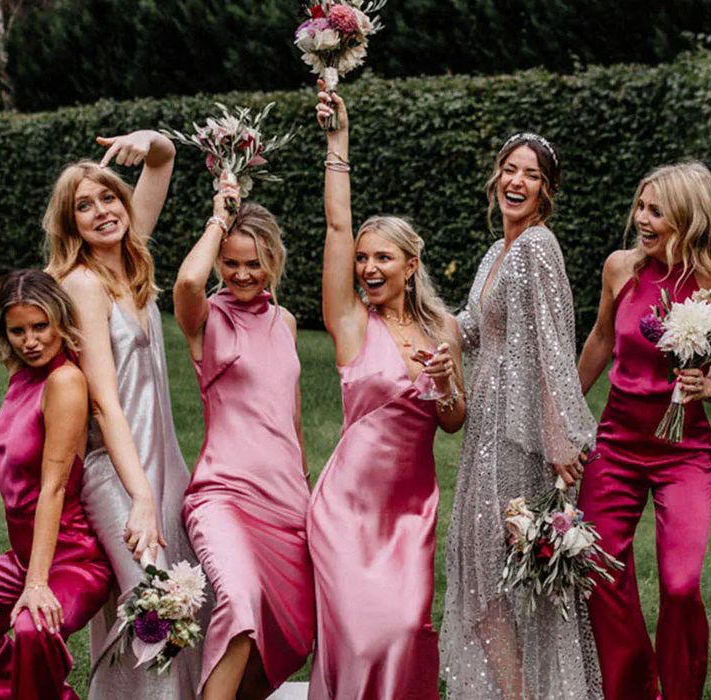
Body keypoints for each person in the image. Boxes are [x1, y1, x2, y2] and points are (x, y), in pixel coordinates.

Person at [309, 88, 465, 699]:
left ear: (410, 263)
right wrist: (337, 144)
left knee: (404, 630)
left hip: (410, 511)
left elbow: (452, 421)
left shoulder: (443, 329)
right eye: (363, 258)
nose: (368, 267)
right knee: (359, 640)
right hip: (347, 508)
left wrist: (449, 382)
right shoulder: (350, 321)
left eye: (383, 257)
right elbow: (337, 225)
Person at [439, 133, 602, 698]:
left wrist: (560, 442)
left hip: (519, 436)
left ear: (546, 190)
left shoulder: (537, 246)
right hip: (483, 426)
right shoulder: (496, 252)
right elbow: (471, 328)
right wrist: (408, 307)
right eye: (509, 169)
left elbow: (555, 347)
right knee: (486, 573)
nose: (515, 181)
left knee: (512, 572)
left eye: (530, 175)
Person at [43, 131, 203, 698]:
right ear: (71, 224)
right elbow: (104, 402)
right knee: (152, 612)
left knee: (175, 616)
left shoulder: (131, 263)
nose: (102, 211)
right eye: (84, 206)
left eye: (108, 197)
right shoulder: (83, 285)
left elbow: (164, 160)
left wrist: (152, 140)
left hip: (163, 464)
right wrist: (137, 497)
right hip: (116, 470)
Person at [576, 161, 711, 700]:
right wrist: (563, 409)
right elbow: (601, 340)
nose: (641, 219)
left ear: (689, 218)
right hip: (617, 445)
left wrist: (706, 389)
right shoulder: (621, 268)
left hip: (683, 454)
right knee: (599, 569)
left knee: (681, 583)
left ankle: (682, 691)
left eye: (656, 211)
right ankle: (634, 688)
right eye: (640, 207)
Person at [174, 178, 315, 699]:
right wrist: (218, 216)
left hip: (286, 501)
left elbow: (291, 416)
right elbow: (187, 284)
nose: (241, 274)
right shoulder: (207, 319)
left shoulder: (287, 322)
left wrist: (305, 486)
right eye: (230, 263)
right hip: (224, 494)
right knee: (239, 599)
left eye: (253, 263)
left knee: (298, 632)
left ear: (272, 261)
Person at [0, 208, 112, 699]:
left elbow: (52, 488)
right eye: (18, 331)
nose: (31, 341)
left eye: (41, 327)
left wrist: (37, 584)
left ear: (60, 322)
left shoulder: (65, 381)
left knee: (34, 628)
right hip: (25, 553)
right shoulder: (20, 372)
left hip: (72, 559)